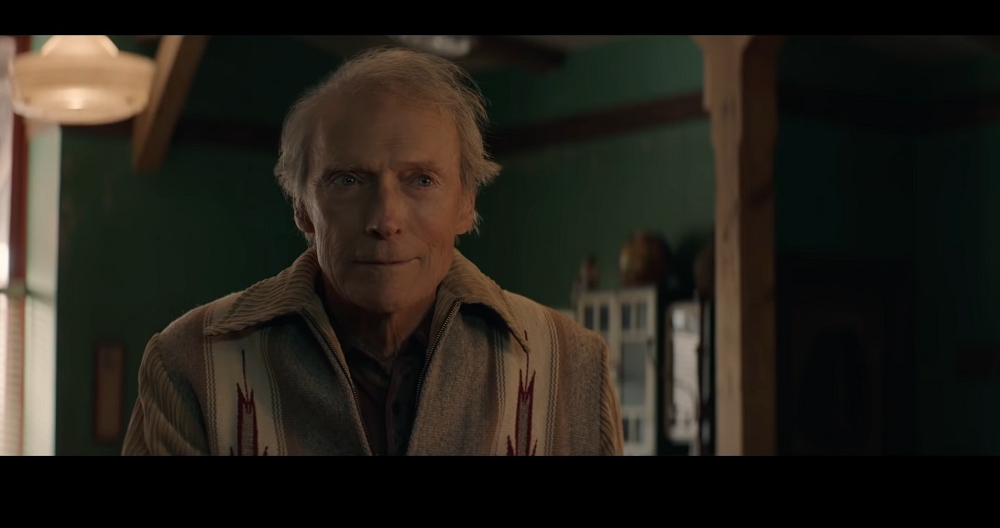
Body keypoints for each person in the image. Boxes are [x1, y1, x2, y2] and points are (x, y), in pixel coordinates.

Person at [121, 46, 624, 456]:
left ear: (466, 203)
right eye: (348, 180)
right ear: (301, 208)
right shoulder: (192, 363)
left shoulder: (570, 366)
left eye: (421, 180)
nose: (384, 220)